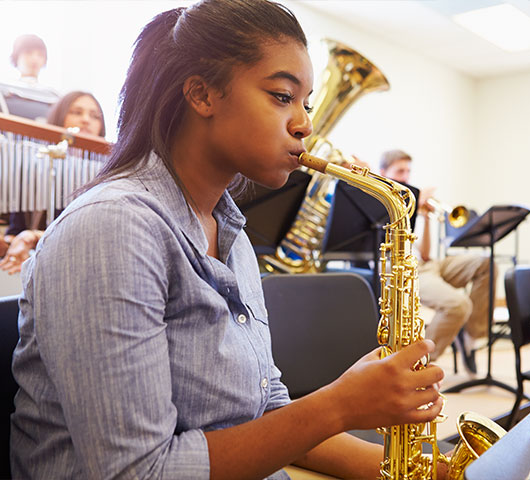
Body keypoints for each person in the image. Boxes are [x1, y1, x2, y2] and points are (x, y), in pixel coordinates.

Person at [9, 2, 445, 479]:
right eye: (282, 96)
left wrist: (428, 471)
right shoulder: (110, 229)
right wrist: (339, 405)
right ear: (202, 95)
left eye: (307, 104)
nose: (304, 125)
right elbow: (136, 473)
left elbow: (266, 406)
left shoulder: (230, 233)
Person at [379, 149, 495, 375]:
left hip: (427, 264)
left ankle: (470, 335)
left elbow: (425, 254)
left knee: (485, 263)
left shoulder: (408, 199)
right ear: (383, 172)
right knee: (459, 305)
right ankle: (417, 365)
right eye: (400, 171)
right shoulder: (380, 200)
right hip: (406, 270)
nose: (405, 176)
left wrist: (424, 217)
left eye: (408, 171)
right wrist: (414, 204)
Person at [0, 91, 106, 274]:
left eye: (94, 116)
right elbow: (16, 231)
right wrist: (9, 243)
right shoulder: (34, 171)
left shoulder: (104, 178)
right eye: (76, 112)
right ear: (60, 116)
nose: (86, 120)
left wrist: (33, 236)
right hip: (33, 269)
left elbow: (93, 236)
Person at [0, 34, 59, 120]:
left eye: (40, 55)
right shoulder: (5, 91)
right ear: (16, 57)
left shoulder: (54, 96)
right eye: (28, 53)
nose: (35, 59)